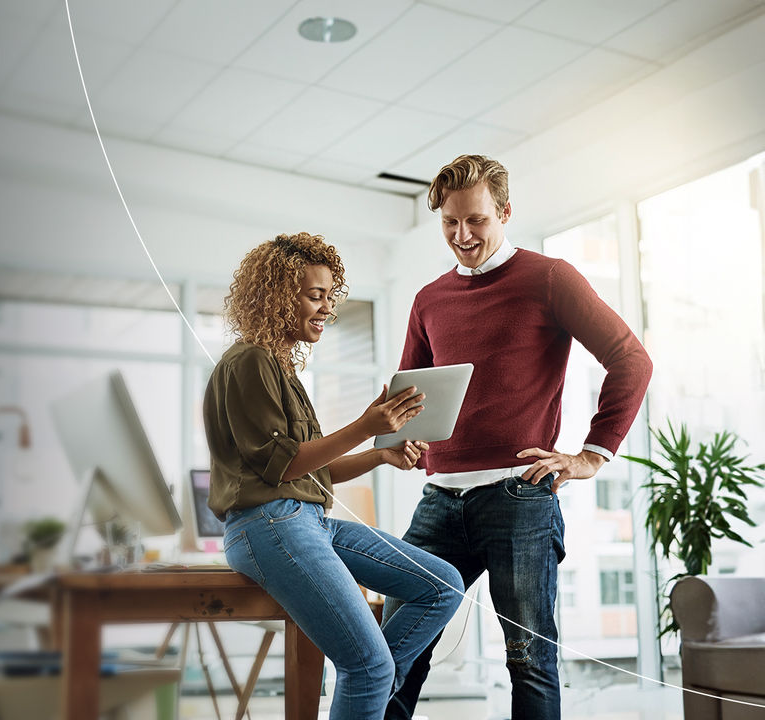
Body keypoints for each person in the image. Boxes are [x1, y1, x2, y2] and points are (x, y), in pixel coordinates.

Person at [382, 155, 653, 720]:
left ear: (505, 212)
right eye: (450, 223)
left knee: (528, 662)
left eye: (476, 220)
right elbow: (407, 399)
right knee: (393, 651)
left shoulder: (549, 278)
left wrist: (590, 456)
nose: (462, 236)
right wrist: (407, 441)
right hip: (439, 502)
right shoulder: (429, 299)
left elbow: (630, 359)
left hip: (518, 498)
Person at [204, 232, 464, 720]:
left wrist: (378, 454)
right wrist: (367, 425)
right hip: (269, 527)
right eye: (315, 296)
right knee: (367, 666)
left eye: (330, 297)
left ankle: (372, 683)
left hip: (306, 522)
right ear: (279, 296)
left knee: (441, 585)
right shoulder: (249, 361)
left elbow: (313, 472)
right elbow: (283, 465)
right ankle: (371, 679)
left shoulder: (281, 369)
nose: (327, 309)